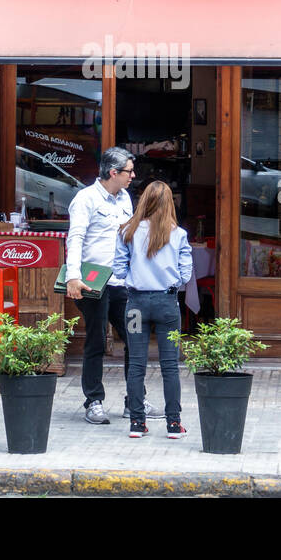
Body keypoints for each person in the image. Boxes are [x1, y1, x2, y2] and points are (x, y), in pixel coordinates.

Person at [65, 146, 161, 424]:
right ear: (113, 172)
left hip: (121, 282)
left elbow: (127, 239)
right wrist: (73, 276)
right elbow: (76, 238)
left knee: (135, 337)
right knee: (96, 341)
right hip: (92, 280)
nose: (133, 176)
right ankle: (93, 401)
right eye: (129, 171)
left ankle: (135, 401)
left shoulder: (125, 200)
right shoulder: (85, 199)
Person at [112, 180, 192, 440]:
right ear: (170, 203)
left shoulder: (127, 231)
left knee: (136, 364)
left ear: (143, 201)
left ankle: (136, 423)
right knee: (170, 366)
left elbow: (119, 269)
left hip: (136, 304)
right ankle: (173, 424)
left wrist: (137, 275)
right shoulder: (178, 234)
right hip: (167, 304)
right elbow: (186, 274)